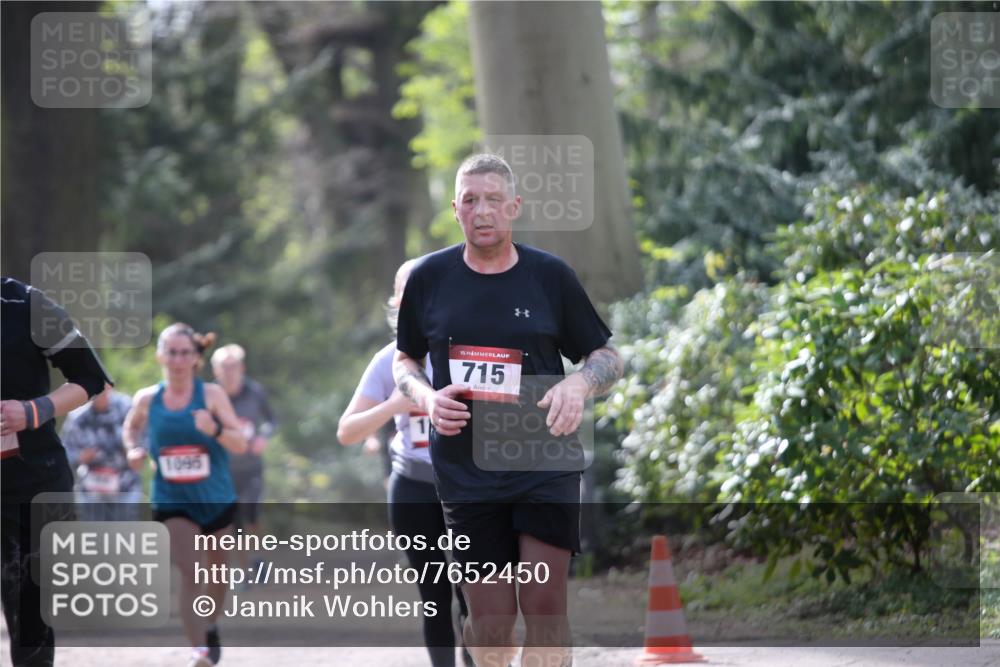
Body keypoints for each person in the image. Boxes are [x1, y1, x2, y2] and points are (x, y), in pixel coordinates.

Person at [393, 154, 623, 667]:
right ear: (455, 209)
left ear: (514, 207)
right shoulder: (430, 278)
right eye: (470, 200)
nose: (482, 211)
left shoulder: (549, 276)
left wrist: (580, 385)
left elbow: (606, 356)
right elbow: (404, 358)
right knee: (491, 622)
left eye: (493, 199)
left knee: (543, 606)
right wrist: (427, 397)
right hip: (464, 469)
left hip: (543, 457)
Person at [338, 259, 473, 667]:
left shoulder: (469, 351)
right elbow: (347, 430)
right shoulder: (388, 361)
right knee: (434, 595)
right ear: (396, 303)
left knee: (475, 593)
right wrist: (395, 405)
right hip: (413, 487)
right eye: (407, 291)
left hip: (471, 488)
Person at [1, 277, 113, 667]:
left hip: (29, 484)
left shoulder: (27, 305)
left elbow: (90, 378)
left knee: (28, 613)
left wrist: (33, 411)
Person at [123, 323, 247, 667]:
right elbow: (132, 427)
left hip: (215, 495)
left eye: (185, 353)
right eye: (172, 352)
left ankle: (209, 625)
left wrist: (216, 428)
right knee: (191, 572)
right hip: (171, 498)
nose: (178, 360)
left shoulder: (211, 396)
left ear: (195, 358)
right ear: (161, 356)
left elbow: (239, 443)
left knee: (218, 573)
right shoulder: (148, 399)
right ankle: (199, 652)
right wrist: (134, 449)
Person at [210, 344, 275, 577]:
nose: (229, 371)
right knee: (232, 520)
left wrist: (262, 437)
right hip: (223, 469)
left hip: (251, 466)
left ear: (242, 367)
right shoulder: (210, 396)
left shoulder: (255, 392)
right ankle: (244, 568)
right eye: (224, 367)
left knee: (251, 513)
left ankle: (259, 558)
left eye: (234, 366)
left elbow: (271, 420)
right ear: (215, 370)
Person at [61, 384, 141, 521]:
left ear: (110, 387)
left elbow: (142, 437)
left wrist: (134, 452)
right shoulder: (77, 417)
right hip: (91, 491)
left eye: (103, 388)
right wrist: (80, 457)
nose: (100, 393)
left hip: (125, 487)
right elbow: (63, 452)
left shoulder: (126, 408)